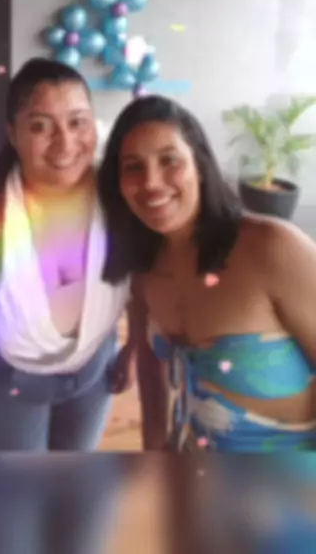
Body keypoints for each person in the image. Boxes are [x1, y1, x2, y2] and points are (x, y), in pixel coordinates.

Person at [98, 95, 316, 452]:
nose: (151, 182)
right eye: (133, 167)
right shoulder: (143, 267)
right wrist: (155, 453)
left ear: (199, 166)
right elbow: (151, 367)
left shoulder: (272, 248)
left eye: (169, 160)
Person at [0, 58, 134, 450]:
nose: (65, 143)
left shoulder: (124, 194)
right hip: (1, 381)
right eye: (40, 126)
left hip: (93, 368)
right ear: (12, 133)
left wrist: (137, 343)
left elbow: (150, 270)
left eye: (78, 122)